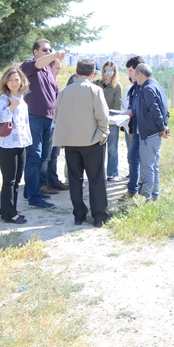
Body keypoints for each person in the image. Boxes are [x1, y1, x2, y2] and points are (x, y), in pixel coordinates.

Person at [53, 59, 110, 227]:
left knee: (75, 180)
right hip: (92, 141)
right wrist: (103, 134)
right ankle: (99, 217)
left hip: (70, 143)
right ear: (93, 74)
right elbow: (103, 117)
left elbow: (56, 117)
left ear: (76, 72)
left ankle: (79, 215)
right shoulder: (95, 90)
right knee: (96, 180)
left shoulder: (64, 91)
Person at [21, 39, 67, 209]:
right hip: (34, 118)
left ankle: (30, 191)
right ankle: (34, 197)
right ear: (35, 52)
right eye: (45, 49)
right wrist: (55, 55)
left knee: (42, 157)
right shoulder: (29, 66)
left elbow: (55, 95)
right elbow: (37, 65)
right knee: (34, 157)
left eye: (51, 49)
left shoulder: (48, 71)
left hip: (49, 120)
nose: (49, 52)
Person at [0, 65, 32, 224]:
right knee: (9, 180)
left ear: (22, 81)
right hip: (6, 145)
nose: (14, 82)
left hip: (20, 143)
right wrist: (11, 107)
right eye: (11, 80)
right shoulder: (4, 98)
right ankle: (10, 214)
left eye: (17, 79)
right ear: (6, 82)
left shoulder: (22, 98)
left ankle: (8, 211)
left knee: (16, 180)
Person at [129, 63, 169, 201]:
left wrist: (162, 128)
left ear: (140, 74)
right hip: (154, 133)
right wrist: (163, 128)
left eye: (135, 75)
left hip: (150, 134)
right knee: (154, 167)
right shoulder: (156, 85)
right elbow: (165, 109)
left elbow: (156, 111)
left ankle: (146, 199)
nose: (134, 78)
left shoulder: (147, 88)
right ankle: (154, 197)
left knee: (147, 169)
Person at [40, 59, 68, 192]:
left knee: (55, 153)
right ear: (48, 67)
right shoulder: (44, 83)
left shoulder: (54, 82)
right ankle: (43, 183)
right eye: (57, 68)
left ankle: (53, 180)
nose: (59, 71)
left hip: (56, 122)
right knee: (47, 154)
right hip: (47, 121)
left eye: (60, 68)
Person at [94, 61, 123, 181]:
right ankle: (97, 173)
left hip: (111, 121)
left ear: (114, 73)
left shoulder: (117, 86)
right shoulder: (96, 84)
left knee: (112, 148)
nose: (107, 74)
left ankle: (112, 173)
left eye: (110, 72)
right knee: (98, 148)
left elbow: (117, 106)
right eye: (105, 71)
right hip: (97, 121)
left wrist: (108, 116)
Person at [123, 56, 145, 198]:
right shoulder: (132, 87)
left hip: (142, 130)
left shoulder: (146, 88)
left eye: (131, 70)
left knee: (139, 159)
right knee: (133, 158)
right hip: (132, 127)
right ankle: (133, 189)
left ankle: (138, 191)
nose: (130, 74)